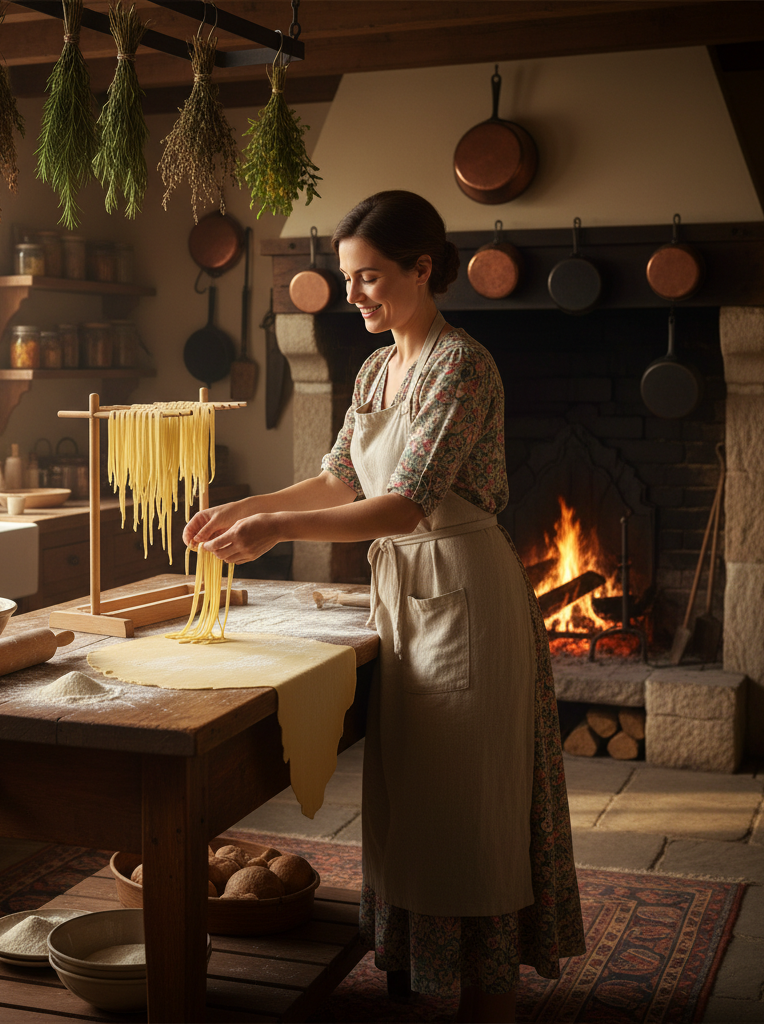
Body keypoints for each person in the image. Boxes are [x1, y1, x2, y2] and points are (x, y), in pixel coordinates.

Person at [183, 190, 584, 1022]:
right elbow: (340, 476)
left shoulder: (461, 365)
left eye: (368, 278)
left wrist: (273, 528)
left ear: (422, 269)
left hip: (465, 597)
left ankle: (489, 1003)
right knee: (413, 804)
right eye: (347, 279)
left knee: (467, 807)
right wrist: (246, 506)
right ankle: (435, 983)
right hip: (406, 592)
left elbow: (404, 503)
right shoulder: (376, 367)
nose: (353, 294)